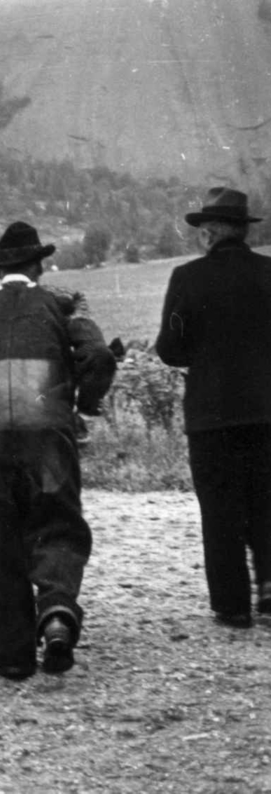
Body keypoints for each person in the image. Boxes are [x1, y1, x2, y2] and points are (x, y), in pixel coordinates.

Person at [0, 221, 116, 679]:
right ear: (39, 265)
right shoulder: (66, 301)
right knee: (57, 522)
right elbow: (100, 357)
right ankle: (55, 611)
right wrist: (84, 403)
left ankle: (12, 658)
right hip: (48, 432)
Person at [155, 187, 271, 628]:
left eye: (202, 231)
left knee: (219, 507)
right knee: (267, 500)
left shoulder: (187, 278)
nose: (199, 238)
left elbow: (169, 348)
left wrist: (203, 355)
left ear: (212, 233)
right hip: (267, 411)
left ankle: (232, 604)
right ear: (242, 230)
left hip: (211, 415)